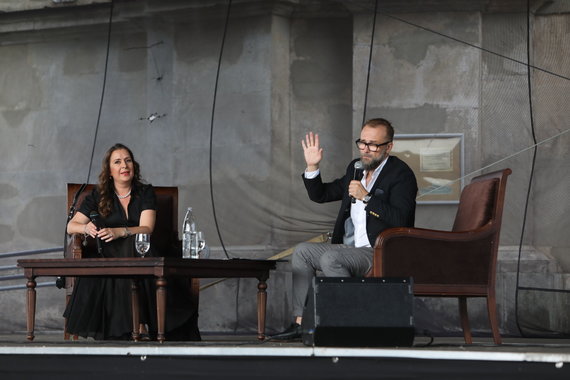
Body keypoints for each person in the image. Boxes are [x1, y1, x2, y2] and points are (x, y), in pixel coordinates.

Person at [274, 118, 418, 340]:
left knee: (332, 258)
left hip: (380, 251)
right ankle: (301, 322)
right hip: (350, 248)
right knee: (302, 251)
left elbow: (402, 218)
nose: (366, 150)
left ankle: (347, 323)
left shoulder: (401, 174)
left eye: (373, 145)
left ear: (388, 146)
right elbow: (320, 195)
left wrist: (367, 197)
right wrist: (312, 166)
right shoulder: (355, 168)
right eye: (362, 143)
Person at [64, 143, 200, 340]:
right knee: (135, 252)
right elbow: (71, 226)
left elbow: (147, 228)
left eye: (128, 160)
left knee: (138, 245)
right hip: (110, 253)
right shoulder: (98, 195)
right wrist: (85, 228)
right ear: (109, 170)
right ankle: (138, 325)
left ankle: (144, 325)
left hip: (142, 249)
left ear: (133, 166)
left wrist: (120, 231)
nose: (124, 165)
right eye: (117, 162)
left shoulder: (145, 192)